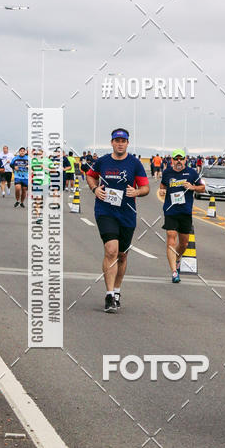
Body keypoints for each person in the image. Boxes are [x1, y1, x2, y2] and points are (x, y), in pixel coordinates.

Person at [85, 128, 149, 312]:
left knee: (122, 255)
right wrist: (95, 189)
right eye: (117, 140)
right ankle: (109, 295)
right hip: (105, 211)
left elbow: (145, 188)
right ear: (112, 142)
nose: (120, 144)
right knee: (111, 250)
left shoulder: (135, 163)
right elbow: (90, 176)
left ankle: (117, 290)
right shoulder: (103, 161)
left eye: (123, 141)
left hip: (127, 213)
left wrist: (136, 192)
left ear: (127, 143)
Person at [158, 149, 205, 283]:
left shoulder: (191, 173)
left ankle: (177, 260)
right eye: (176, 159)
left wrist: (192, 187)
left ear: (185, 160)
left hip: (185, 211)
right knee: (171, 238)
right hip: (170, 211)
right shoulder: (167, 173)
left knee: (184, 244)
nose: (178, 161)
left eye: (181, 158)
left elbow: (202, 188)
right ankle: (174, 272)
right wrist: (162, 191)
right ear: (172, 160)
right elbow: (162, 185)